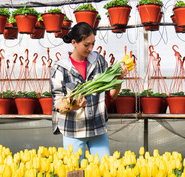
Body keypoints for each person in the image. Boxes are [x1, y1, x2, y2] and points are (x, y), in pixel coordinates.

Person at [50, 22, 128, 161]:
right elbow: (58, 106)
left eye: (93, 43)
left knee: (104, 173)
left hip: (97, 127)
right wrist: (75, 106)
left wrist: (119, 79)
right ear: (74, 42)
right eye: (86, 45)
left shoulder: (98, 61)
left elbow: (112, 95)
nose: (91, 48)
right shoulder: (61, 68)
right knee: (74, 176)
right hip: (73, 130)